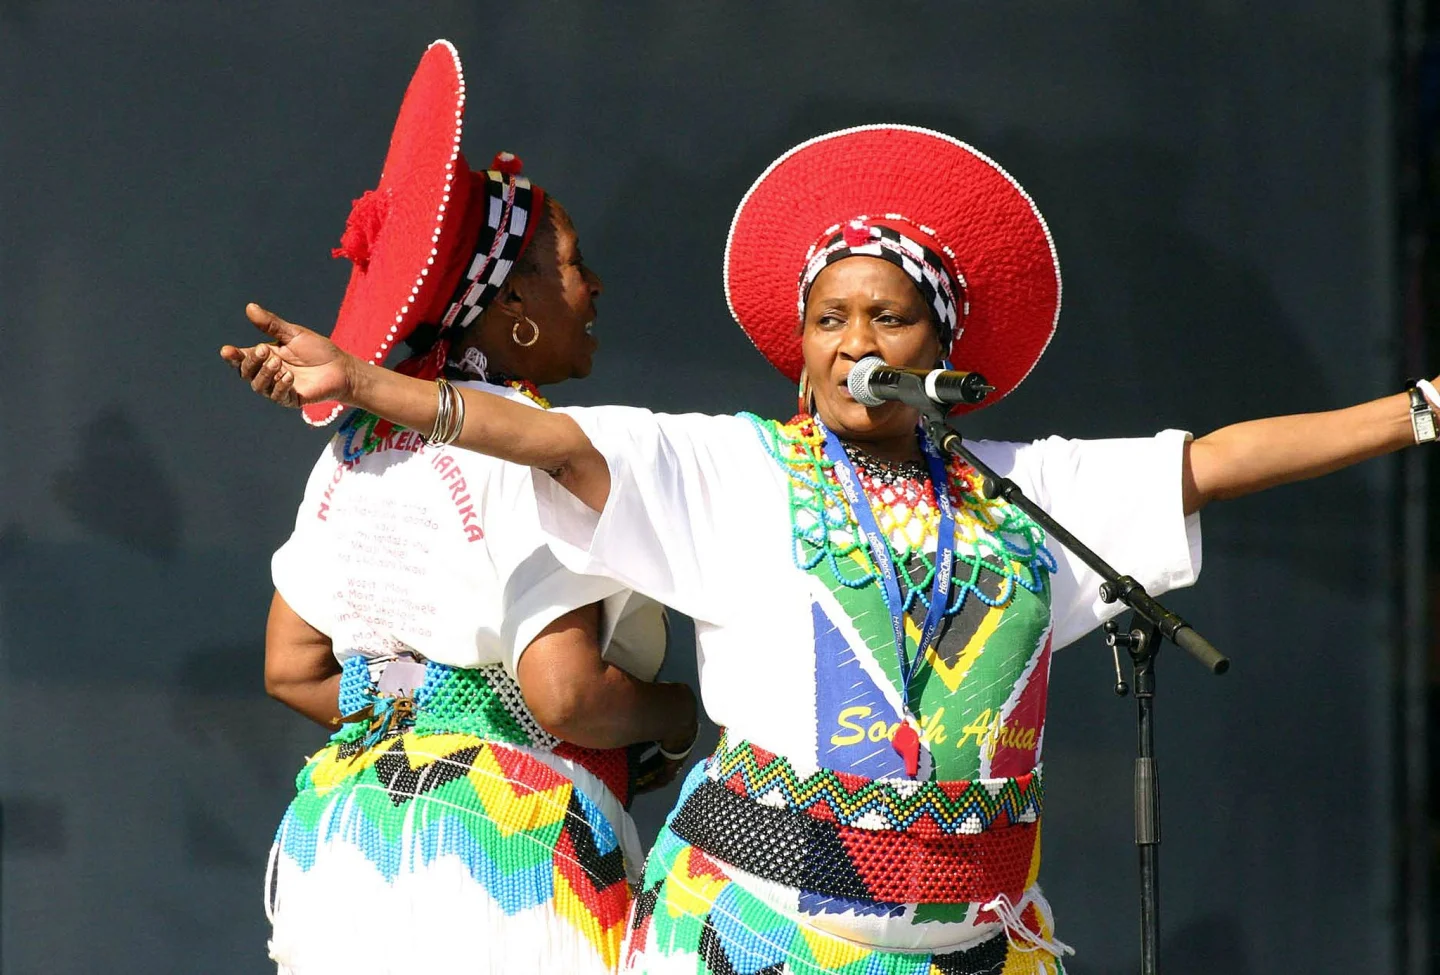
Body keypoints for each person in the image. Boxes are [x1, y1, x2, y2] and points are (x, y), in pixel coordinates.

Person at [224, 124, 1439, 974]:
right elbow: (549, 441)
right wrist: (370, 385)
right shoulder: (737, 470)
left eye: (886, 316)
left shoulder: (1022, 494)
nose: (853, 341)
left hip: (975, 947)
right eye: (826, 319)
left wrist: (1419, 411)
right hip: (754, 942)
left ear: (940, 345)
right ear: (799, 346)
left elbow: (1210, 462)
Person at [236, 41, 698, 975]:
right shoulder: (530, 449)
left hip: (343, 857)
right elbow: (564, 693)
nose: (594, 286)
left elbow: (291, 666)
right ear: (514, 299)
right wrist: (675, 713)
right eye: (573, 262)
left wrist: (412, 719)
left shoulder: (355, 449)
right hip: (499, 870)